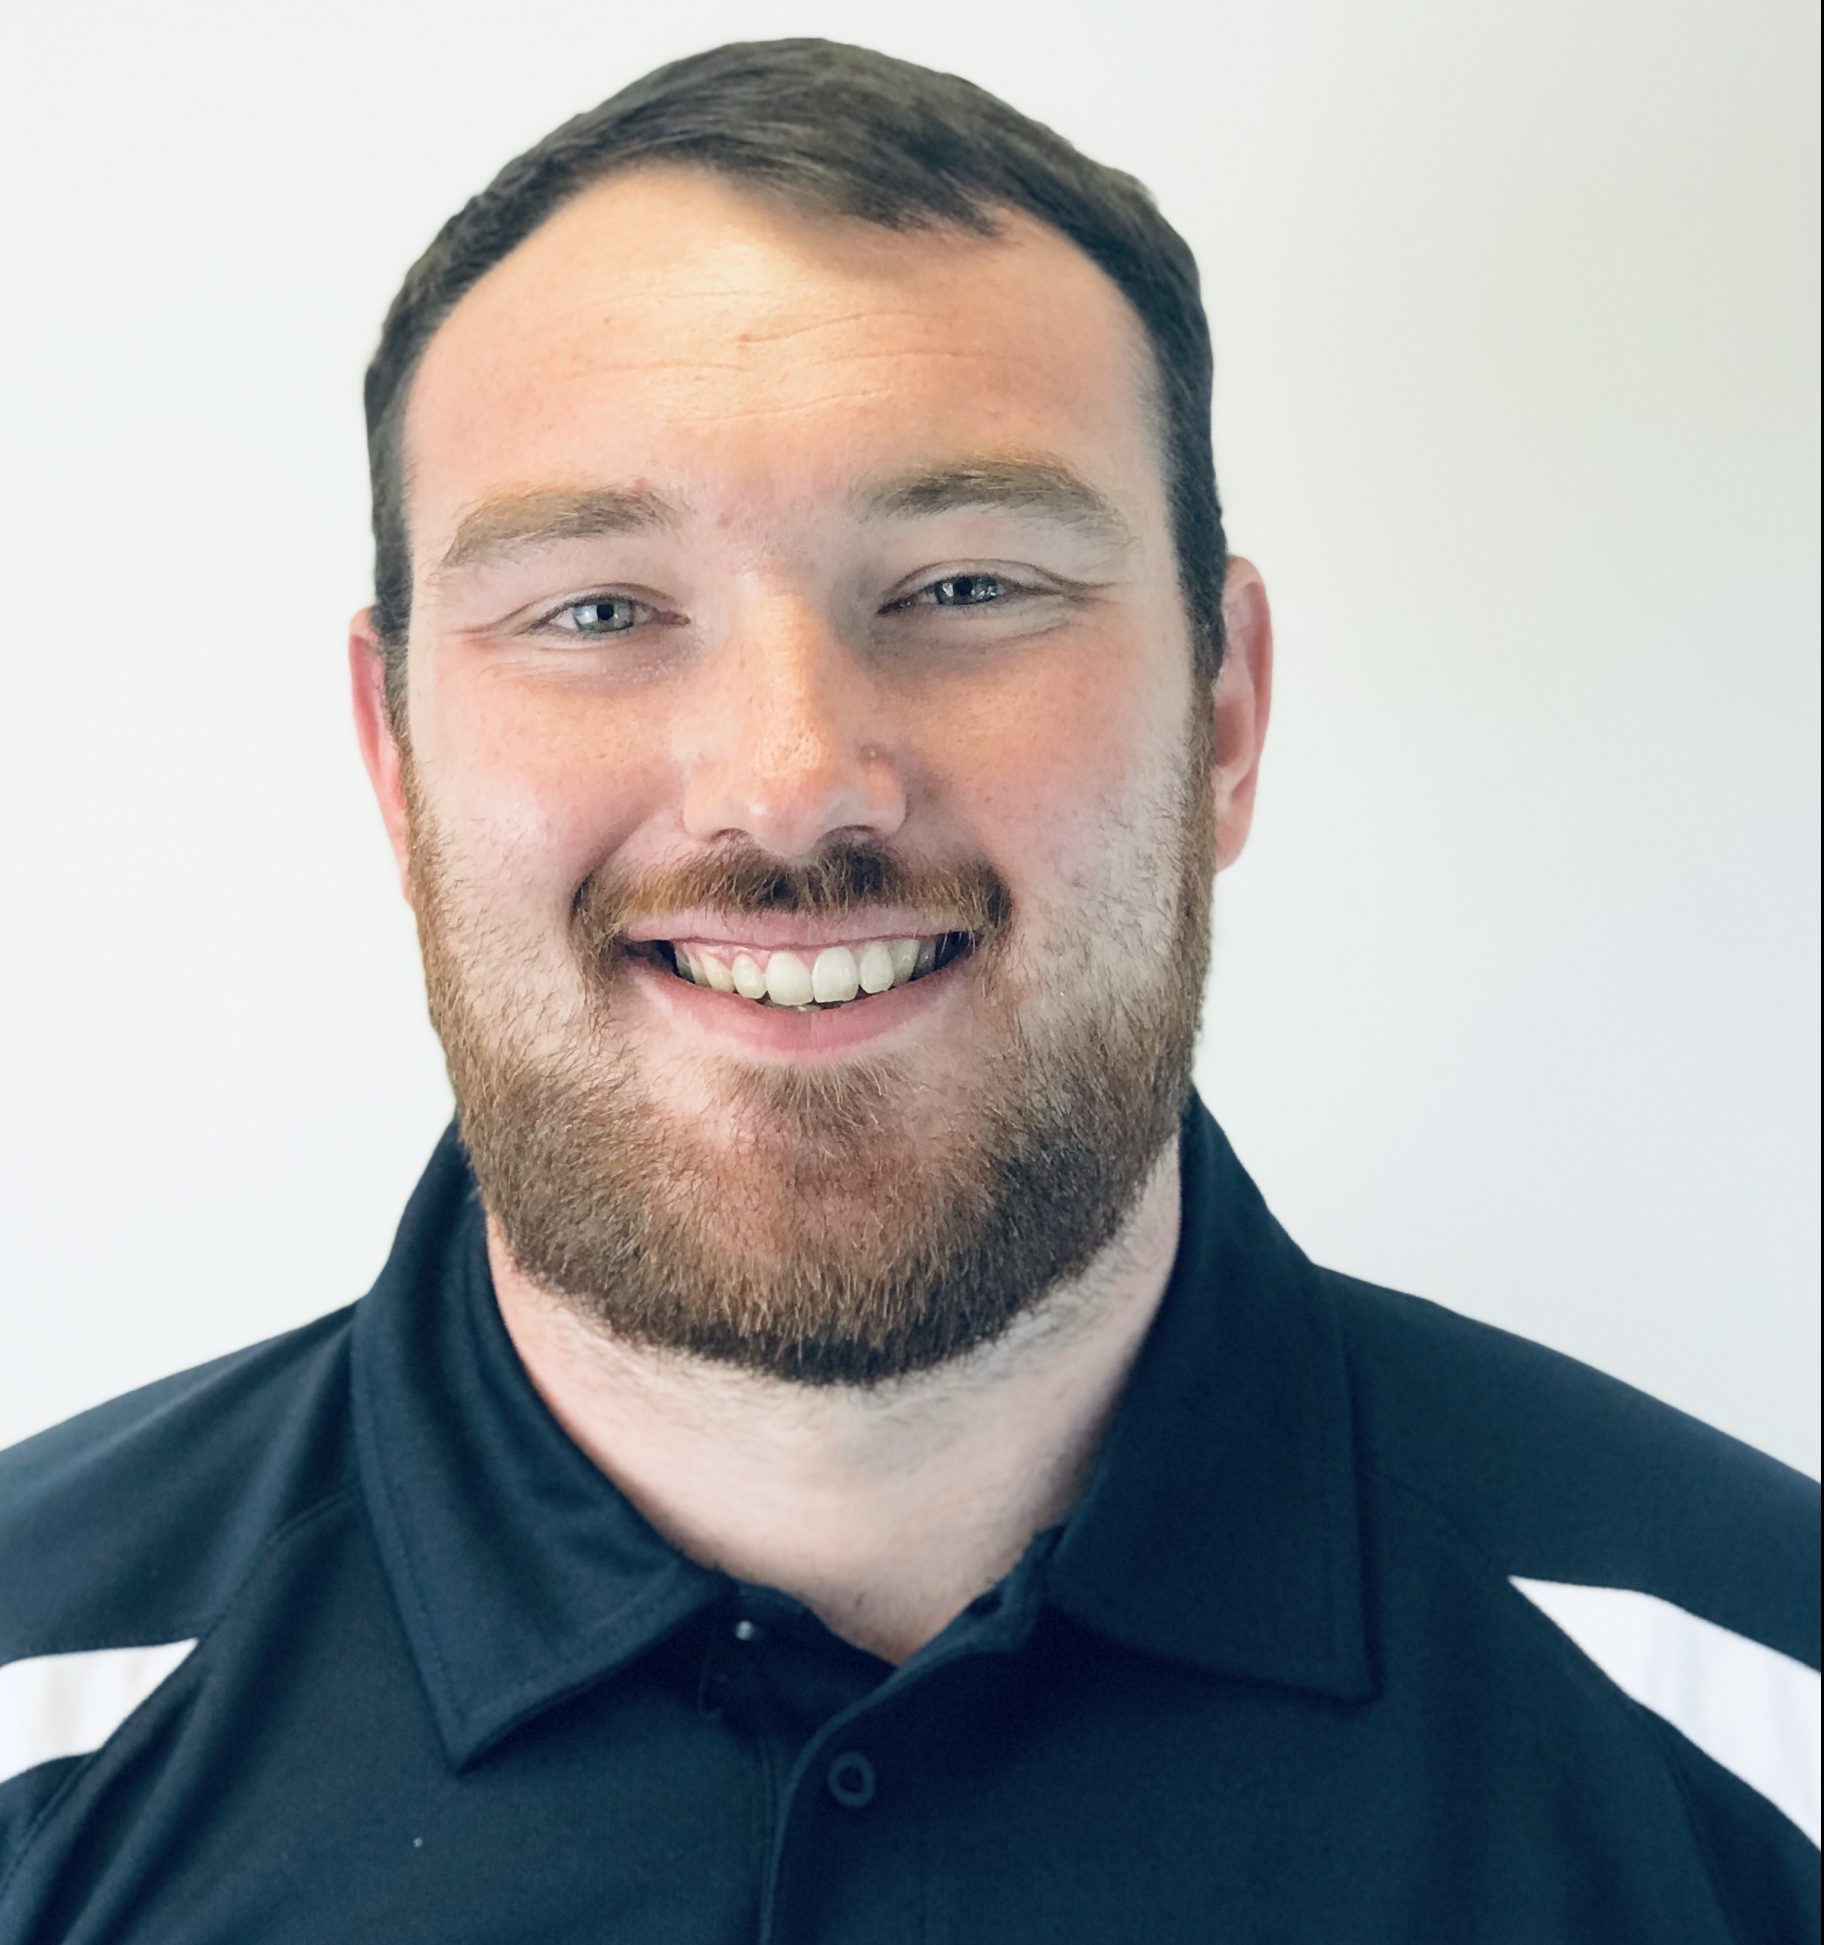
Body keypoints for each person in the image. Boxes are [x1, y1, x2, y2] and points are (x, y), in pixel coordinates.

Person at [0, 36, 1814, 1943]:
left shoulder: (1770, 1720)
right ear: (396, 761)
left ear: (1224, 710)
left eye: (964, 587)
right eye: (599, 610)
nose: (793, 782)